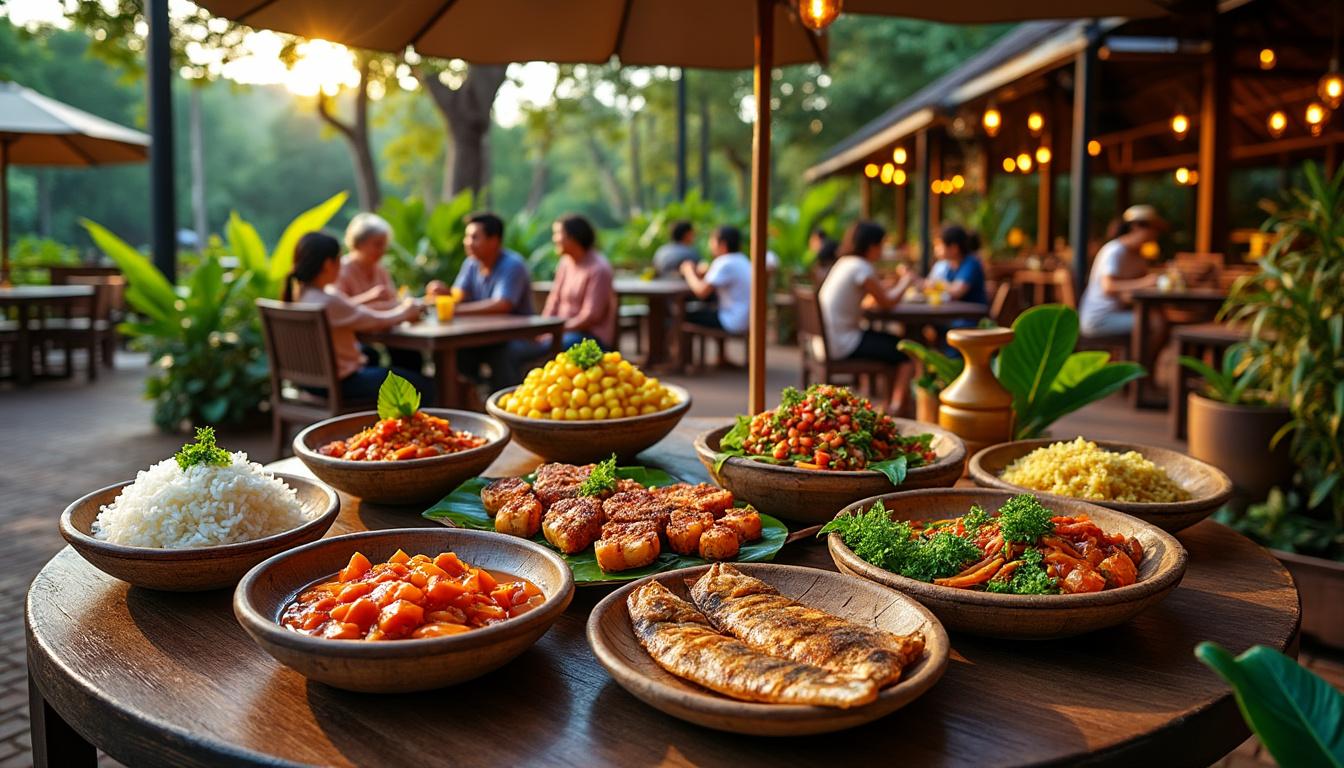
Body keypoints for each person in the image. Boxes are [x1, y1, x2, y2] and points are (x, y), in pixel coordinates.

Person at [282, 232, 433, 403]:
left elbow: (350, 311)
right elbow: (374, 320)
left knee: (373, 356)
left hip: (309, 382)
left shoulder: (300, 295)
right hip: (343, 383)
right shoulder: (328, 300)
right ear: (328, 264)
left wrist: (370, 299)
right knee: (422, 385)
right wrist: (406, 312)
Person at [816, 220, 915, 414]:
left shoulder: (845, 263)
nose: (882, 250)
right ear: (872, 246)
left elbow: (870, 294)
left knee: (891, 345)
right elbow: (887, 302)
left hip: (824, 341)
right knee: (906, 352)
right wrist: (906, 281)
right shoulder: (862, 267)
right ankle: (896, 409)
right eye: (882, 244)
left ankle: (891, 402)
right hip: (843, 343)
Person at [451, 212, 535, 390]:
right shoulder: (471, 263)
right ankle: (468, 401)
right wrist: (443, 293)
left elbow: (502, 304)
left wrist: (457, 310)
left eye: (474, 237)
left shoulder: (513, 265)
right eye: (467, 237)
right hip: (481, 338)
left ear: (494, 240)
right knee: (454, 353)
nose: (467, 242)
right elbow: (458, 295)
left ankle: (506, 408)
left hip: (518, 338)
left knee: (501, 353)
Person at [335, 212, 427, 371]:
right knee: (372, 356)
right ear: (358, 244)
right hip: (355, 340)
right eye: (377, 244)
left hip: (384, 331)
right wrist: (370, 298)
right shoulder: (341, 271)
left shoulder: (380, 269)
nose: (382, 250)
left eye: (384, 244)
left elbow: (392, 301)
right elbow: (339, 310)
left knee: (410, 355)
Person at [1079, 205, 1164, 337]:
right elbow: (1108, 286)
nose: (1156, 234)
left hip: (1118, 313)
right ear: (1136, 227)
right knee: (1155, 322)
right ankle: (1143, 358)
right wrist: (1146, 282)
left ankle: (1139, 355)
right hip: (1098, 318)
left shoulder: (1137, 255)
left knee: (1155, 316)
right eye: (1154, 228)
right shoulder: (1114, 250)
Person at [541, 214, 615, 349]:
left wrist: (556, 331)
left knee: (545, 347)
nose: (554, 239)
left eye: (558, 233)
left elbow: (591, 317)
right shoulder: (565, 263)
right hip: (563, 331)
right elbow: (554, 300)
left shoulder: (599, 269)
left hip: (589, 337)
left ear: (573, 237)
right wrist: (542, 328)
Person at [679, 225, 751, 335]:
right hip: (746, 319)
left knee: (681, 314)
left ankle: (676, 351)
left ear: (722, 244)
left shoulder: (724, 262)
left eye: (712, 240)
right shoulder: (743, 260)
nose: (710, 245)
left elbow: (701, 292)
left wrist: (688, 271)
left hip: (731, 321)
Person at [926, 223, 988, 305]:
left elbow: (956, 292)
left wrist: (936, 284)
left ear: (954, 248)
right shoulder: (949, 265)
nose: (936, 249)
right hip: (956, 312)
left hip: (971, 315)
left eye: (939, 245)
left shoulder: (971, 264)